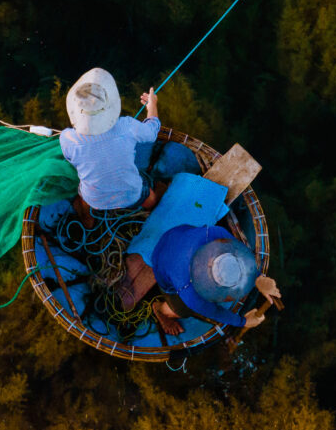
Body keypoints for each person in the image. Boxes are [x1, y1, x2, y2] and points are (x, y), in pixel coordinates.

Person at [59, 68, 162, 220]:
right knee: (151, 197)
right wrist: (152, 105)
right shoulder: (127, 126)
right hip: (131, 196)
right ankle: (150, 208)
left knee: (83, 197)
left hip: (94, 199)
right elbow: (152, 132)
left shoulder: (67, 138)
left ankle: (87, 220)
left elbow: (72, 160)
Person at [149, 224, 283, 336]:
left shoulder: (212, 233)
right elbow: (215, 312)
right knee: (183, 311)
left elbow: (236, 248)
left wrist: (259, 278)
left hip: (174, 235)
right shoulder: (188, 292)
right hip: (161, 266)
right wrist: (243, 321)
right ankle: (159, 309)